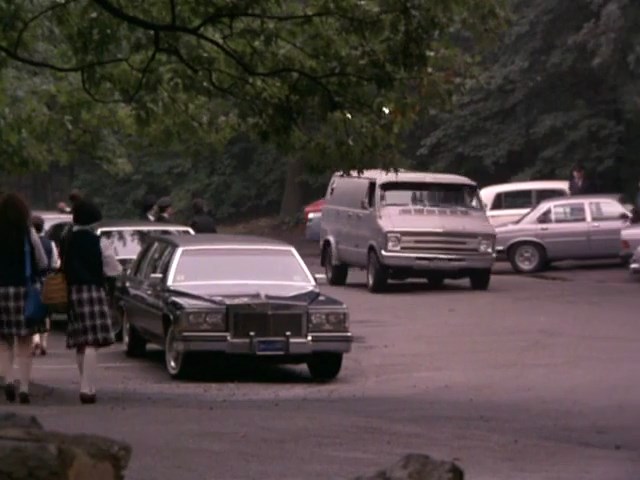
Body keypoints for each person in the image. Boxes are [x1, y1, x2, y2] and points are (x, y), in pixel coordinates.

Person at [63, 199, 120, 404]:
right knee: (91, 342)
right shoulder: (99, 242)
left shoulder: (67, 240)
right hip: (93, 290)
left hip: (73, 291)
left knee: (80, 340)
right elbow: (112, 268)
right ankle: (87, 388)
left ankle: (86, 383)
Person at [0, 193, 48, 404]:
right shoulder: (28, 234)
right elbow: (42, 261)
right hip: (24, 291)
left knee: (3, 341)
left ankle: (8, 379)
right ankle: (25, 388)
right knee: (25, 342)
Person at [31, 215, 61, 356]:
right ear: (43, 227)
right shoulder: (50, 244)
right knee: (46, 313)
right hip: (47, 281)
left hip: (32, 281)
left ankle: (35, 338)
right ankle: (44, 343)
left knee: (32, 310)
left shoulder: (29, 242)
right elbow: (55, 263)